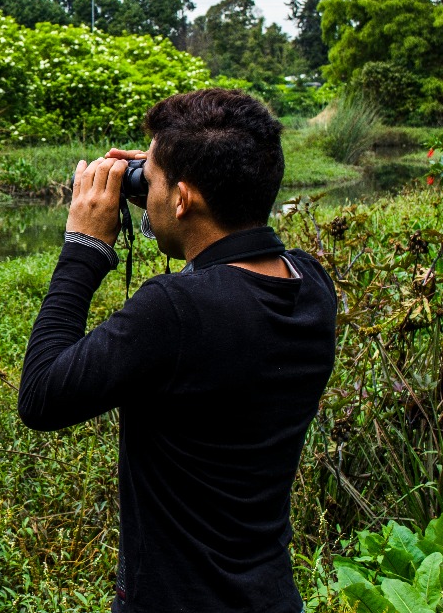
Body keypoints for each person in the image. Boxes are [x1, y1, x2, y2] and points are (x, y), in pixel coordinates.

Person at [17, 87, 336, 612]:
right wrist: (168, 173)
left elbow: (41, 396)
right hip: (272, 599)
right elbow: (222, 277)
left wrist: (84, 249)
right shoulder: (311, 284)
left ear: (185, 198)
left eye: (156, 181)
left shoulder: (175, 311)